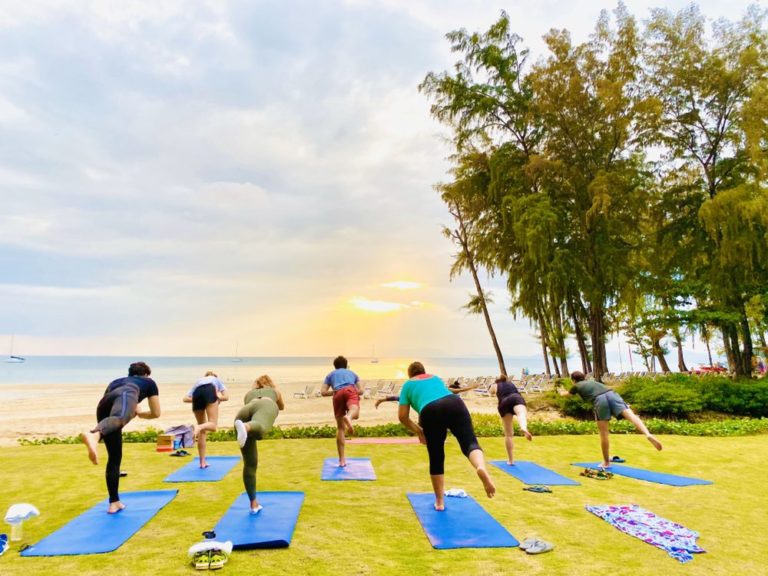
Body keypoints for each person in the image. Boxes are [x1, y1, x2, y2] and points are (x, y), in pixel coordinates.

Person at [397, 361, 495, 511]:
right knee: (469, 442)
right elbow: (448, 392)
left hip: (429, 410)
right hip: (454, 403)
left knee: (436, 456)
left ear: (410, 374)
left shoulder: (408, 385)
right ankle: (481, 467)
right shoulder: (435, 378)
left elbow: (403, 416)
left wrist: (419, 431)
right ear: (424, 371)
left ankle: (440, 502)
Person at [80, 361, 160, 513]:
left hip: (103, 407)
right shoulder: (149, 382)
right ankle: (94, 435)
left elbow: (109, 408)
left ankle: (114, 502)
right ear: (146, 374)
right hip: (126, 396)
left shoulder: (115, 381)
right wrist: (140, 412)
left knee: (115, 457)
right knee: (120, 419)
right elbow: (156, 413)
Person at [557, 371, 662, 468]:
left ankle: (606, 462)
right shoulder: (592, 382)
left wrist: (560, 390)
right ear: (584, 377)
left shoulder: (576, 386)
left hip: (599, 400)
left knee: (604, 433)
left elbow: (566, 395)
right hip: (612, 394)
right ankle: (647, 434)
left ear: (573, 380)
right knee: (632, 416)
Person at [233, 375, 285, 514]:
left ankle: (254, 505)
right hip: (265, 406)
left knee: (250, 464)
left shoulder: (249, 394)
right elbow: (281, 407)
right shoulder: (274, 392)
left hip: (243, 412)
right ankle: (246, 427)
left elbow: (250, 406)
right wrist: (275, 393)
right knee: (261, 429)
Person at [320, 355, 363, 467]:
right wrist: (353, 393)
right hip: (350, 390)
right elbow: (361, 391)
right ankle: (349, 417)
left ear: (335, 366)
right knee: (355, 411)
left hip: (337, 393)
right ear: (346, 365)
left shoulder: (330, 375)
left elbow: (323, 392)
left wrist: (335, 391)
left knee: (340, 428)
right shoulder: (352, 374)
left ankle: (342, 460)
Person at [183, 371, 229, 469]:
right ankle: (198, 426)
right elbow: (226, 397)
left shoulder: (198, 382)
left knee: (202, 432)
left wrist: (200, 399)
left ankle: (202, 462)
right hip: (210, 391)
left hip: (197, 394)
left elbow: (185, 398)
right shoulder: (216, 380)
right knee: (213, 426)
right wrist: (217, 397)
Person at [489, 374, 532, 465]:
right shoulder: (511, 384)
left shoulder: (495, 385)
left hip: (504, 403)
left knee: (508, 435)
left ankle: (511, 460)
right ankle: (523, 427)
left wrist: (493, 390)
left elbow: (491, 392)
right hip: (516, 398)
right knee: (521, 414)